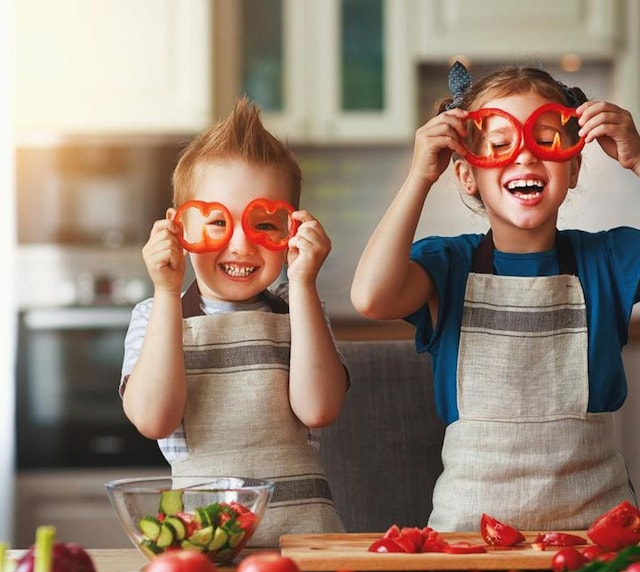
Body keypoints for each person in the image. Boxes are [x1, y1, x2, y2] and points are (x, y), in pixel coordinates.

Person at [351, 61, 640, 532]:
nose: (524, 157)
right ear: (468, 175)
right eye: (501, 144)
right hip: (468, 541)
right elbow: (371, 298)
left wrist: (637, 157)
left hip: (596, 542)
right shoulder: (447, 265)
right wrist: (419, 177)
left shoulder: (608, 259)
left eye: (544, 141)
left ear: (573, 165)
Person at [120, 97, 347, 546]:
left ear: (293, 229)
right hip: (206, 544)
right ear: (178, 229)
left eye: (265, 224)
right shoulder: (156, 316)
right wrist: (167, 291)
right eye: (216, 223)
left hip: (306, 545)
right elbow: (153, 419)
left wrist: (303, 285)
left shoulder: (300, 311)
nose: (241, 245)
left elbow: (319, 409)